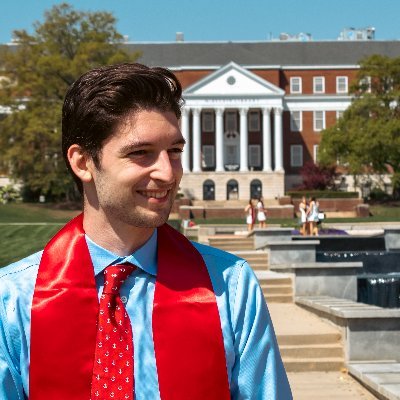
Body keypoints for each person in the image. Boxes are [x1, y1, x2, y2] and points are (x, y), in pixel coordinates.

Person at [0, 63, 292, 399]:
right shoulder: (14, 300)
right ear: (82, 162)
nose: (168, 173)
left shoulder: (231, 287)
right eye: (141, 153)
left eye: (175, 151)